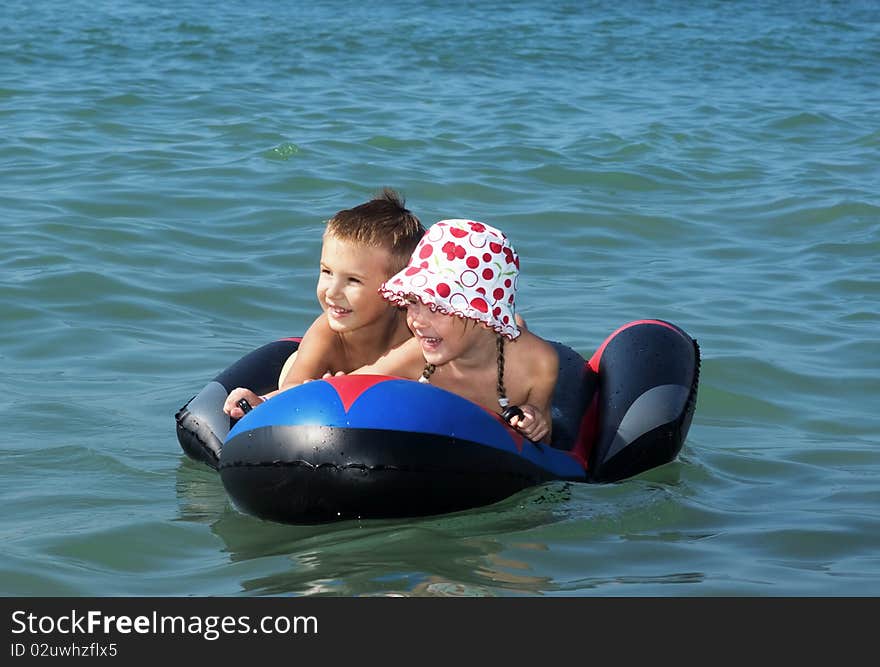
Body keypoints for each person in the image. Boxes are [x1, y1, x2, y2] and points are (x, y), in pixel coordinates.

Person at [223, 188, 425, 418]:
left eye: (353, 280)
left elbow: (381, 375)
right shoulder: (326, 332)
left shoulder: (416, 334)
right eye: (327, 272)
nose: (332, 291)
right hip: (313, 376)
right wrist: (261, 401)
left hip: (364, 392)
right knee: (294, 366)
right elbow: (292, 387)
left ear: (396, 289)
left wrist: (336, 388)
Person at [351, 219, 559, 443]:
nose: (416, 320)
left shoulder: (537, 364)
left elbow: (545, 442)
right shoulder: (416, 357)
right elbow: (352, 386)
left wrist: (534, 420)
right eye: (412, 302)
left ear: (481, 315)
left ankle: (516, 325)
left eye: (435, 307)